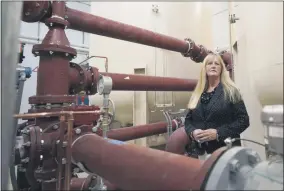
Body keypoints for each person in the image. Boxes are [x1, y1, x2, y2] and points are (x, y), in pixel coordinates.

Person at [166, 53, 250, 156]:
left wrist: (218, 133)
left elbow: (244, 120)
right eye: (209, 63)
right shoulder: (197, 93)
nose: (213, 66)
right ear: (204, 68)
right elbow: (188, 120)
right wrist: (193, 133)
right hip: (201, 152)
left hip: (226, 153)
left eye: (217, 64)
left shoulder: (231, 91)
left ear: (221, 69)